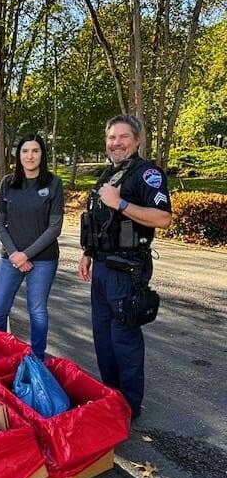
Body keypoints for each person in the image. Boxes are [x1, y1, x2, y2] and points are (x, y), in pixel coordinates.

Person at [78, 114, 172, 419]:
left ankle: (129, 406)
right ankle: (111, 396)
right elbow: (98, 222)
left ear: (138, 140)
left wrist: (120, 203)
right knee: (102, 336)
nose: (116, 143)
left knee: (124, 337)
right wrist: (88, 252)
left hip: (128, 269)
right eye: (111, 138)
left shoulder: (147, 175)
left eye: (123, 137)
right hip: (103, 266)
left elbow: (163, 218)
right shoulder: (108, 174)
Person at [0, 133, 64, 360]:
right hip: (11, 258)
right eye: (25, 151)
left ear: (42, 154)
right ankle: (0, 356)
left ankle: (37, 359)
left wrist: (26, 255)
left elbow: (55, 228)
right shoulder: (8, 183)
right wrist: (15, 254)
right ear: (18, 155)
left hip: (43, 260)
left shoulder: (53, 183)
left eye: (35, 151)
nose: (30, 156)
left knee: (37, 312)